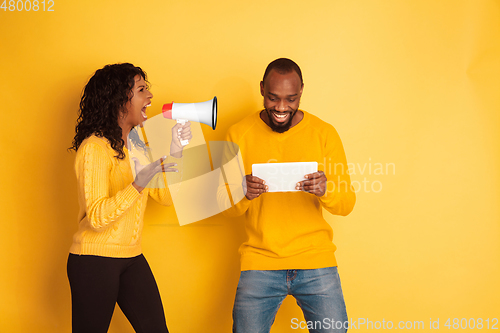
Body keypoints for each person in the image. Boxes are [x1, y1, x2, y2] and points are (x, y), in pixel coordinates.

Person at [221, 58, 356, 333]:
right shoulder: (237, 134)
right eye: (273, 98)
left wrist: (326, 189)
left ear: (302, 92)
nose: (282, 107)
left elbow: (347, 203)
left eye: (290, 98)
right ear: (262, 89)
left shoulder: (324, 134)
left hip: (316, 261)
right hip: (260, 261)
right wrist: (242, 192)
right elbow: (225, 207)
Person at [67, 63, 191, 333]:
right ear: (120, 99)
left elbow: (166, 197)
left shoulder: (136, 145)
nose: (150, 97)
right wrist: (137, 184)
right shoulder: (94, 149)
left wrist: (176, 151)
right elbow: (98, 218)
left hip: (132, 257)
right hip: (94, 260)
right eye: (141, 89)